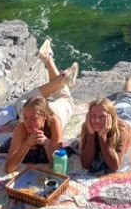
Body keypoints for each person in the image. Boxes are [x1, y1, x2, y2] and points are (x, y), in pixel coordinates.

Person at [4, 40, 78, 173]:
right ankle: (57, 72)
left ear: (44, 117)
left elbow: (57, 167)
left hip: (56, 111)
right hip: (33, 107)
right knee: (23, 101)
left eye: (33, 118)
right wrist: (26, 144)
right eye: (26, 118)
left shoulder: (54, 121)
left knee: (66, 100)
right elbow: (9, 168)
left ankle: (57, 73)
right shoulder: (22, 126)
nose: (28, 122)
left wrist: (47, 143)